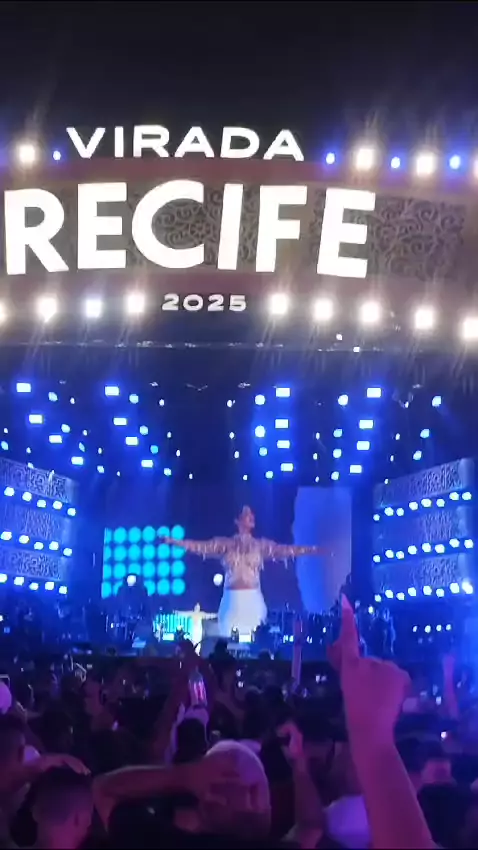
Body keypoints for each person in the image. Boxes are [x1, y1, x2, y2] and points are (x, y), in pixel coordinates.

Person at [163, 506, 326, 636]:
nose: (251, 516)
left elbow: (287, 550)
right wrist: (173, 541)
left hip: (253, 601)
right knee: (229, 644)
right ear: (237, 520)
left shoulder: (260, 545)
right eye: (246, 513)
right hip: (231, 603)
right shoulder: (224, 544)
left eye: (252, 514)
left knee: (254, 643)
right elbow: (199, 546)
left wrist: (313, 550)